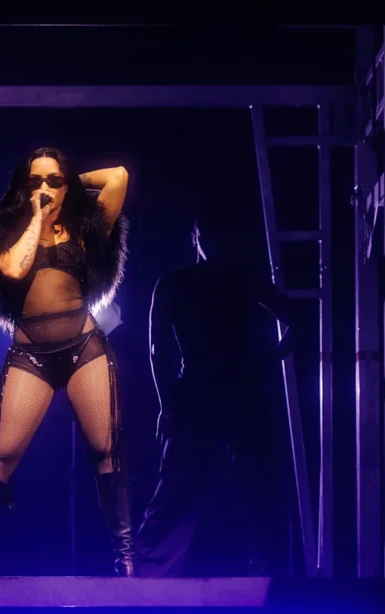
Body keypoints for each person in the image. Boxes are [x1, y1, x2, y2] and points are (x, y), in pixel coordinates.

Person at [0, 147, 131, 577]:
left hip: (83, 348)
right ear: (23, 187)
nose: (45, 188)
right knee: (2, 455)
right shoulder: (0, 231)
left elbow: (118, 176)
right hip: (31, 354)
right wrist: (37, 213)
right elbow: (14, 271)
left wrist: (69, 184)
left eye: (53, 180)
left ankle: (126, 558)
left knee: (106, 450)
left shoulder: (84, 226)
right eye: (35, 181)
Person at [136, 208, 297, 577]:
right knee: (237, 483)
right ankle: (269, 570)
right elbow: (295, 318)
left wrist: (167, 405)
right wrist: (269, 359)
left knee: (190, 485)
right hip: (228, 391)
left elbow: (157, 350)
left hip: (210, 392)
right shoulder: (235, 279)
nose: (213, 241)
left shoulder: (181, 282)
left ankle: (147, 570)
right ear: (197, 237)